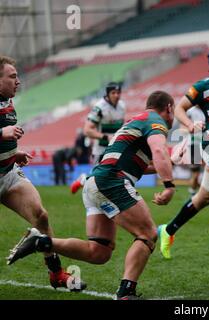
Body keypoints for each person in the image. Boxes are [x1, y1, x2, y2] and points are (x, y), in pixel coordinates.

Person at [7, 90, 177, 299]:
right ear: (169, 108)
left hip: (96, 182)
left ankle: (41, 242)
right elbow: (159, 152)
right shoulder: (155, 120)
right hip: (111, 182)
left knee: (99, 252)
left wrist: (171, 163)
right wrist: (169, 185)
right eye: (174, 110)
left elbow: (140, 165)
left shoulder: (137, 120)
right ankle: (126, 292)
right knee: (148, 234)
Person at [0, 55, 86, 291]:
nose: (18, 81)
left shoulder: (8, 102)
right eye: (12, 76)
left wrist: (13, 153)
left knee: (41, 216)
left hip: (7, 173)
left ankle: (56, 273)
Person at [158, 47, 209, 259]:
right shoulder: (202, 87)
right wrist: (190, 125)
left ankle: (168, 230)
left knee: (203, 198)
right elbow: (179, 108)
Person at [70, 82, 126, 193]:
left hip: (116, 147)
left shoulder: (122, 106)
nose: (116, 95)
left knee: (116, 175)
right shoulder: (100, 107)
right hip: (101, 148)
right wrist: (106, 137)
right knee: (97, 179)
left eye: (118, 92)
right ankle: (83, 180)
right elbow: (87, 130)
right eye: (113, 93)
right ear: (107, 94)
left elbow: (121, 125)